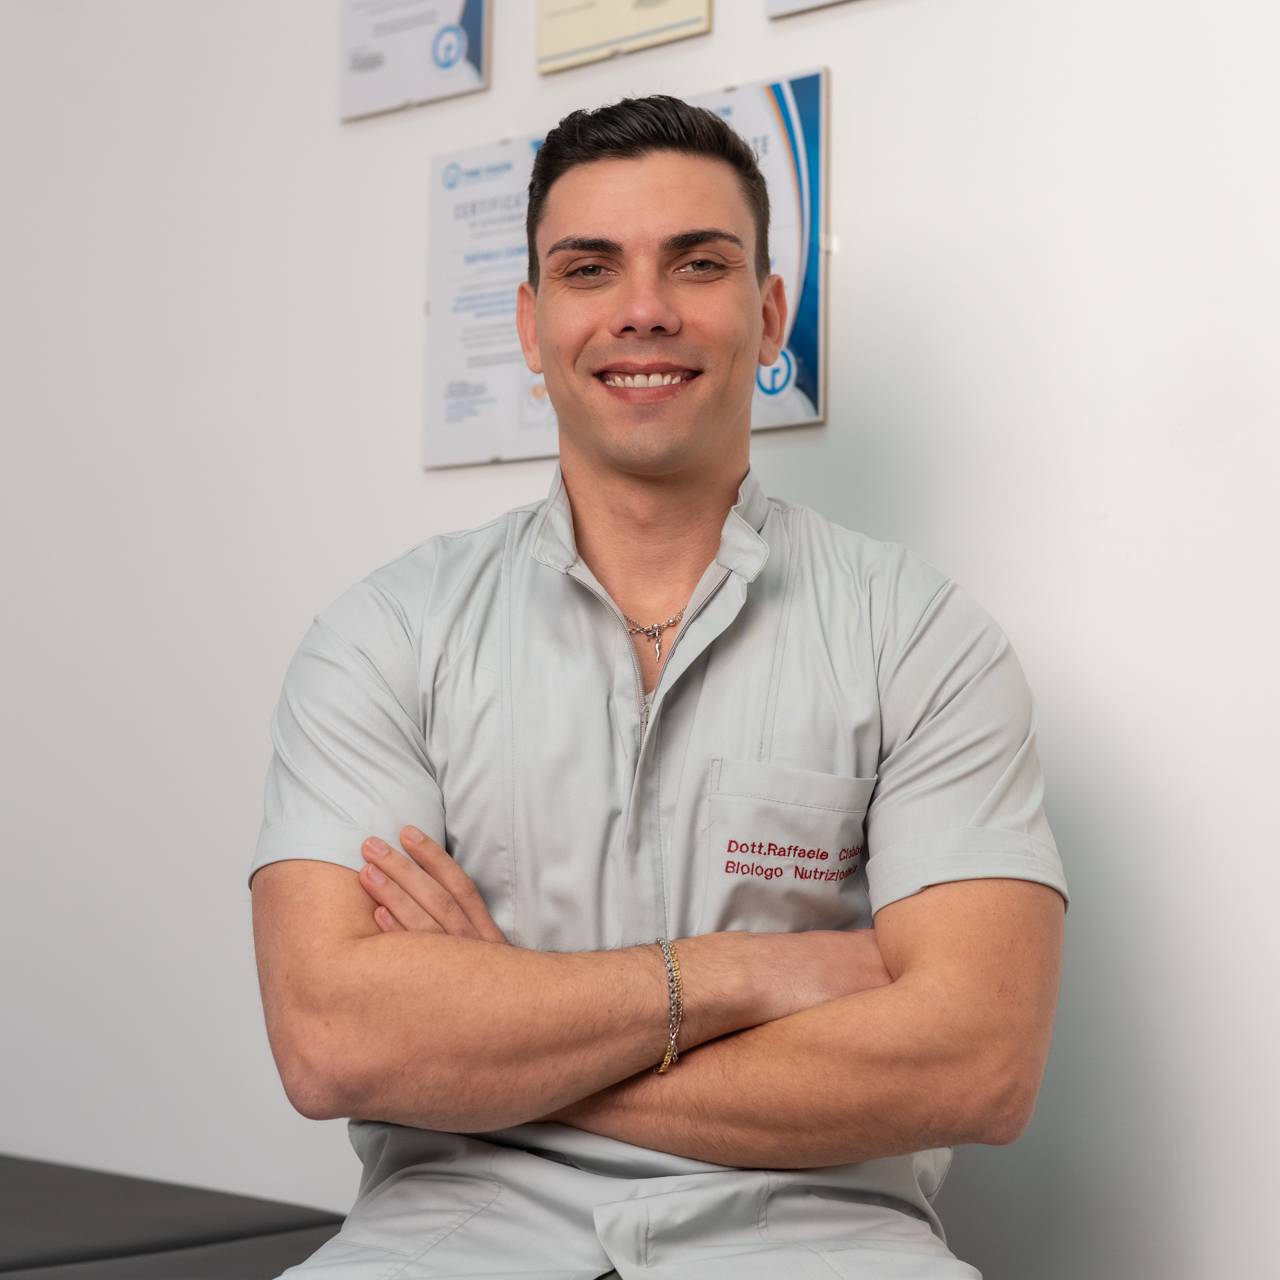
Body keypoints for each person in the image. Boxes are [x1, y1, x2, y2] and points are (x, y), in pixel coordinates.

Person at [249, 95, 1069, 1280]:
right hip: (445, 1241)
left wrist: (490, 1046)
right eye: (590, 269)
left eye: (697, 263)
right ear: (530, 324)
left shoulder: (923, 638)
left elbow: (976, 1065)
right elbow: (333, 1041)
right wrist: (748, 972)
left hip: (817, 1240)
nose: (643, 308)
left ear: (768, 313)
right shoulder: (382, 635)